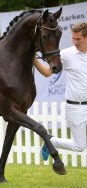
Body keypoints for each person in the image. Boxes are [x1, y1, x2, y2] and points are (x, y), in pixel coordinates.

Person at [33, 22, 87, 160]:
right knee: (79, 146)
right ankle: (51, 141)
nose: (75, 42)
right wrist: (34, 60)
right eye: (73, 38)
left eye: (78, 39)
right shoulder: (66, 54)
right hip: (76, 108)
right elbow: (46, 72)